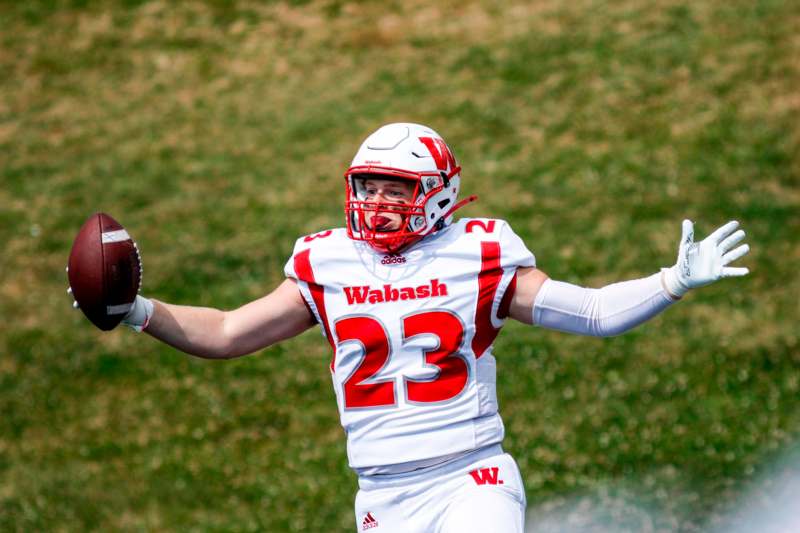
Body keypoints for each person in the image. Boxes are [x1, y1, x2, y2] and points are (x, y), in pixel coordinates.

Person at [86, 123, 750, 532]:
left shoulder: (479, 251)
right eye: (367, 185)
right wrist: (137, 310)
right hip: (383, 494)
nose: (375, 201)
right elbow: (229, 331)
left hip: (472, 478)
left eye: (394, 188)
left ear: (434, 192)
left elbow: (594, 312)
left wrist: (671, 281)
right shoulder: (326, 261)